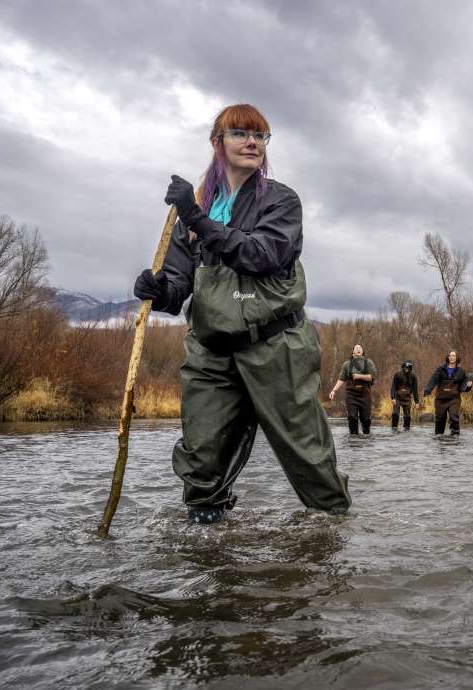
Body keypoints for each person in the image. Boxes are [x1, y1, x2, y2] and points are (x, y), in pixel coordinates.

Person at [132, 103, 350, 524]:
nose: (252, 142)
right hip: (212, 351)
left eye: (260, 136)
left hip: (276, 346)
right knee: (202, 458)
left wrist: (196, 217)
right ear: (217, 143)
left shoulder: (282, 201)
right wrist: (158, 291)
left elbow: (261, 255)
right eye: (240, 134)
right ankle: (207, 546)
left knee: (307, 455)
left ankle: (334, 535)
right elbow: (180, 287)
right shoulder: (192, 213)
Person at [329, 344, 377, 434]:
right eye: (356, 348)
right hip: (351, 395)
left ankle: (366, 437)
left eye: (360, 348)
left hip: (365, 395)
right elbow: (341, 379)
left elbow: (372, 376)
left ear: (363, 351)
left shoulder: (368, 362)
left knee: (366, 419)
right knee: (352, 417)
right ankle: (353, 439)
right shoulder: (347, 364)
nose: (358, 349)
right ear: (353, 351)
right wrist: (334, 390)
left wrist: (359, 376)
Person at [423, 350, 473, 436]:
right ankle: (439, 436)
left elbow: (463, 388)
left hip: (454, 399)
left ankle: (455, 436)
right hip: (440, 399)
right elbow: (433, 380)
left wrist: (469, 386)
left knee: (454, 417)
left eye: (454, 356)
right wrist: (428, 389)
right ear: (448, 358)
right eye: (450, 356)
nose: (452, 357)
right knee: (439, 419)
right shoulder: (440, 369)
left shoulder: (461, 371)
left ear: (457, 358)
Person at [389, 360, 420, 430]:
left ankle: (406, 430)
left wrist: (417, 402)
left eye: (408, 368)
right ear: (403, 367)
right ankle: (394, 429)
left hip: (407, 398)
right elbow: (393, 386)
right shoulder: (397, 374)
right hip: (397, 398)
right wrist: (393, 397)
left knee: (407, 416)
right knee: (395, 414)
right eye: (405, 367)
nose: (406, 369)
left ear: (410, 368)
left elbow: (415, 390)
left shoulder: (413, 376)